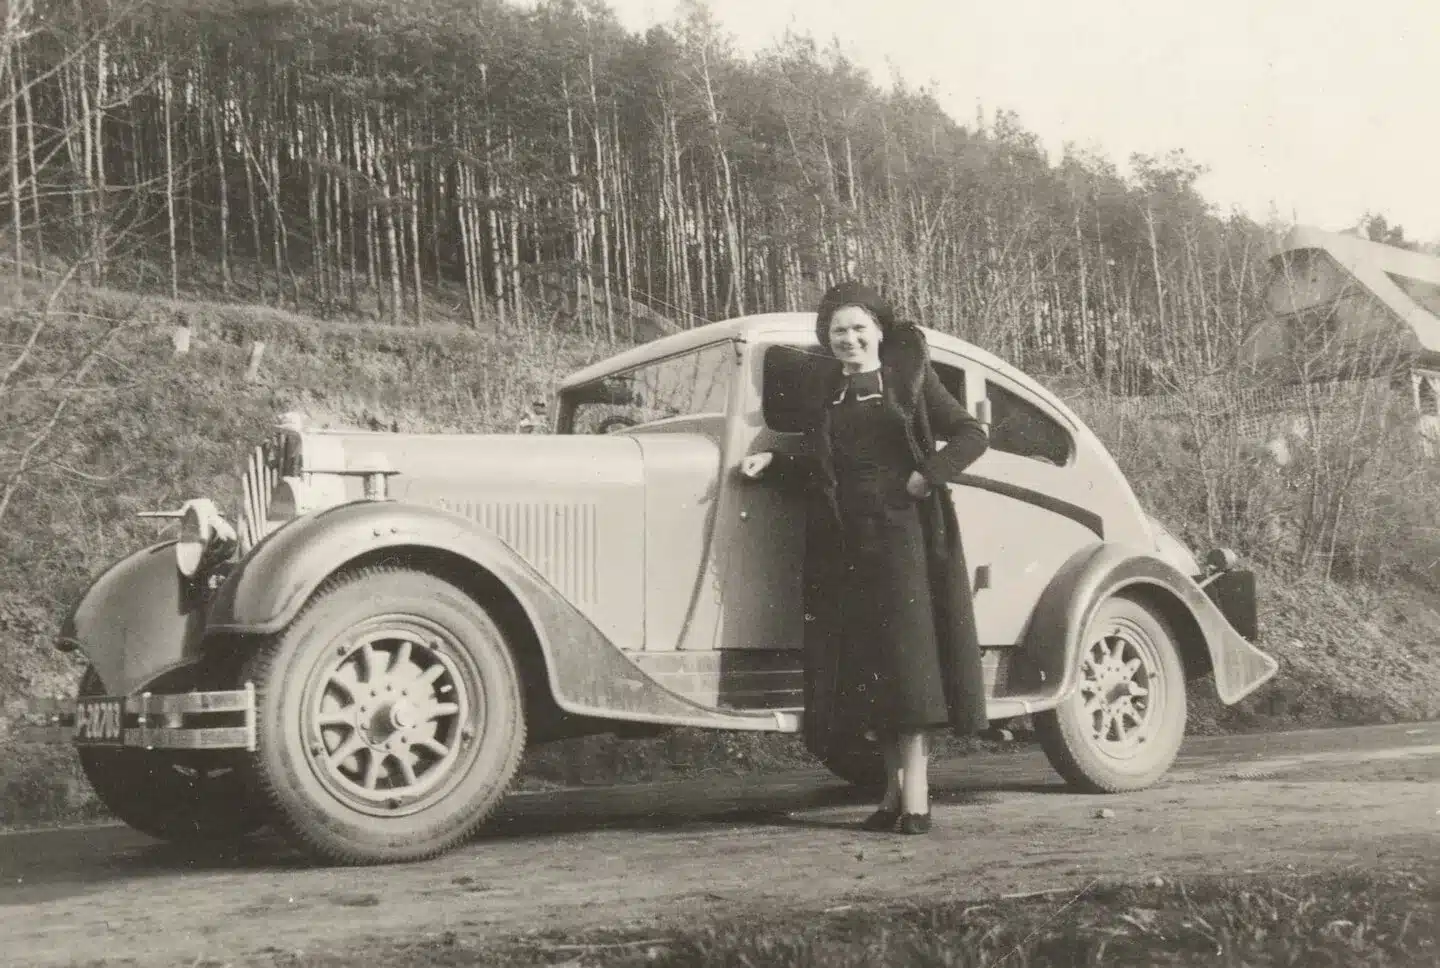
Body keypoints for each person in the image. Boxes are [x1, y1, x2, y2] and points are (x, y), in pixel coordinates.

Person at [742, 280, 990, 835]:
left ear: (879, 331)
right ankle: (892, 796)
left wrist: (928, 477)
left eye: (858, 328)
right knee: (869, 672)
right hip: (845, 545)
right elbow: (824, 471)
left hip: (903, 542)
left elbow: (972, 435)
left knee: (909, 669)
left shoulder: (910, 382)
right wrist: (774, 466)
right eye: (837, 331)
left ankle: (918, 800)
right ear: (826, 339)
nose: (848, 339)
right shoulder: (827, 395)